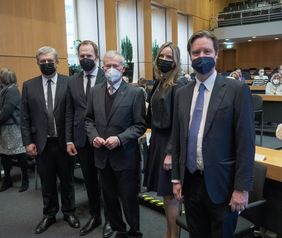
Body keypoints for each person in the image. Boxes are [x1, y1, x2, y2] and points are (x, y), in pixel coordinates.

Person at [171, 30, 255, 238]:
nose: (201, 56)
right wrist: (176, 179)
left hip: (223, 187)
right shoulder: (182, 93)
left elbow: (246, 143)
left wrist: (241, 188)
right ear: (190, 57)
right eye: (196, 52)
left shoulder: (236, 90)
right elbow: (177, 139)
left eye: (207, 51)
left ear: (216, 54)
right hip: (190, 182)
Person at [85, 50, 146, 238]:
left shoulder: (135, 92)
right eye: (107, 66)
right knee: (109, 198)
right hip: (102, 157)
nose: (111, 69)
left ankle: (134, 232)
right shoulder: (95, 91)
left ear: (123, 68)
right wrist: (93, 136)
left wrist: (120, 139)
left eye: (115, 66)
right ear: (102, 68)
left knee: (129, 199)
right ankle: (118, 229)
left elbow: (140, 125)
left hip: (126, 157)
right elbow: (88, 120)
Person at [21, 46, 80, 234]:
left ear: (57, 62)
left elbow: (73, 113)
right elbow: (25, 117)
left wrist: (72, 139)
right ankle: (49, 214)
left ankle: (69, 212)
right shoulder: (28, 85)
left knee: (67, 181)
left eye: (50, 61)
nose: (46, 64)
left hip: (64, 142)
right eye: (43, 61)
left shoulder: (69, 82)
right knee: (47, 182)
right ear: (38, 62)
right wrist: (27, 141)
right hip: (41, 143)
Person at [65, 40, 112, 237]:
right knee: (90, 181)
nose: (85, 59)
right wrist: (68, 140)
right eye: (82, 56)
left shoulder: (107, 76)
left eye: (89, 56)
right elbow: (69, 112)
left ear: (97, 57)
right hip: (81, 140)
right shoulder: (72, 81)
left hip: (104, 139)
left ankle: (111, 219)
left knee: (108, 182)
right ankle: (95, 215)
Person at [143, 42, 187, 238]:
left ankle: (173, 234)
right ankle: (169, 232)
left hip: (170, 143)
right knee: (166, 195)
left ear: (176, 61)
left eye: (170, 57)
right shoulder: (161, 81)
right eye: (162, 56)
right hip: (158, 141)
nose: (165, 60)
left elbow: (180, 122)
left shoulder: (179, 83)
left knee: (171, 196)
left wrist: (170, 152)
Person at [0, 68, 28, 192]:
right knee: (5, 155)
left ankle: (25, 179)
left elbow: (6, 111)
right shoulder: (4, 90)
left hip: (13, 127)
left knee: (20, 154)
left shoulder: (12, 91)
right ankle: (7, 179)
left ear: (5, 78)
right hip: (5, 128)